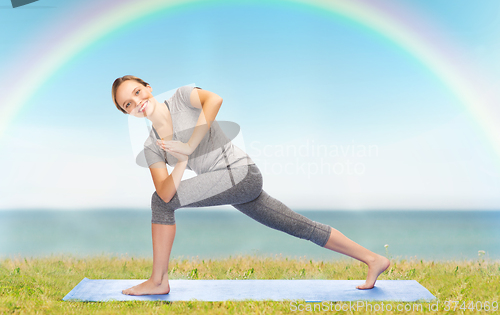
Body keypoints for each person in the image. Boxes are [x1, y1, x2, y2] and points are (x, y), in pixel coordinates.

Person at [112, 75, 390, 295]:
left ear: (148, 87)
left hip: (241, 174)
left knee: (159, 204)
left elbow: (215, 100)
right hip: (229, 186)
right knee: (298, 225)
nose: (136, 102)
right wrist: (182, 160)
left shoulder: (182, 97)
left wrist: (187, 145)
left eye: (137, 92)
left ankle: (158, 280)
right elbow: (166, 191)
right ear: (129, 113)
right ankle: (374, 259)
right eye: (127, 104)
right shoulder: (152, 147)